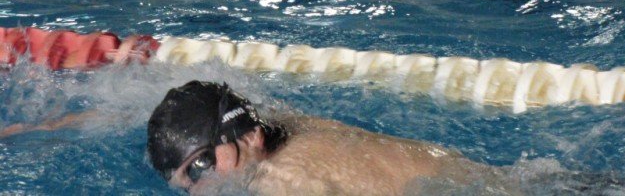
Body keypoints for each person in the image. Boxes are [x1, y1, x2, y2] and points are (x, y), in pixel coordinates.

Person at [148, 80, 482, 195]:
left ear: (249, 138)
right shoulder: (285, 127)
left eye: (201, 165)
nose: (199, 189)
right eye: (186, 185)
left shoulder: (283, 180)